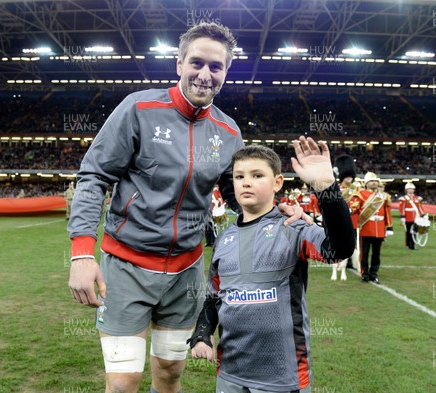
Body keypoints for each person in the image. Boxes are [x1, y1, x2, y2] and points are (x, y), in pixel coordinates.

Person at [67, 22, 308, 393]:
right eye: (196, 63)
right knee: (122, 382)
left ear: (226, 72)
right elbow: (94, 175)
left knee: (170, 373)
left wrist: (282, 213)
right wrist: (81, 254)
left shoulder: (229, 132)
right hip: (127, 265)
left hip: (186, 270)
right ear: (179, 63)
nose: (205, 74)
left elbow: (237, 196)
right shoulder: (139, 108)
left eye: (216, 67)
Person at [188, 139, 355, 393]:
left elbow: (339, 249)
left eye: (257, 175)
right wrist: (202, 333)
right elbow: (214, 297)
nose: (246, 182)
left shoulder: (294, 227)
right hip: (230, 374)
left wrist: (326, 189)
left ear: (277, 182)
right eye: (239, 176)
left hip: (283, 377)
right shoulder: (223, 239)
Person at [349, 172, 393, 284]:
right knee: (364, 253)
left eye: (375, 181)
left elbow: (387, 212)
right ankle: (365, 274)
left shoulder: (383, 196)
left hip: (379, 229)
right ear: (366, 183)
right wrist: (349, 210)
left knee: (376, 254)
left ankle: (374, 274)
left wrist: (389, 227)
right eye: (371, 181)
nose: (374, 183)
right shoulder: (361, 194)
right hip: (367, 227)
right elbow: (355, 206)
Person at [399, 182, 425, 250]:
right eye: (409, 189)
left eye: (412, 189)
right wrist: (402, 216)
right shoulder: (404, 198)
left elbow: (419, 207)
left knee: (414, 232)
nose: (411, 190)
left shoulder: (417, 198)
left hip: (416, 217)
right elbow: (402, 208)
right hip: (408, 217)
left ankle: (413, 245)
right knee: (408, 232)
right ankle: (408, 245)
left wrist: (422, 214)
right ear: (406, 190)